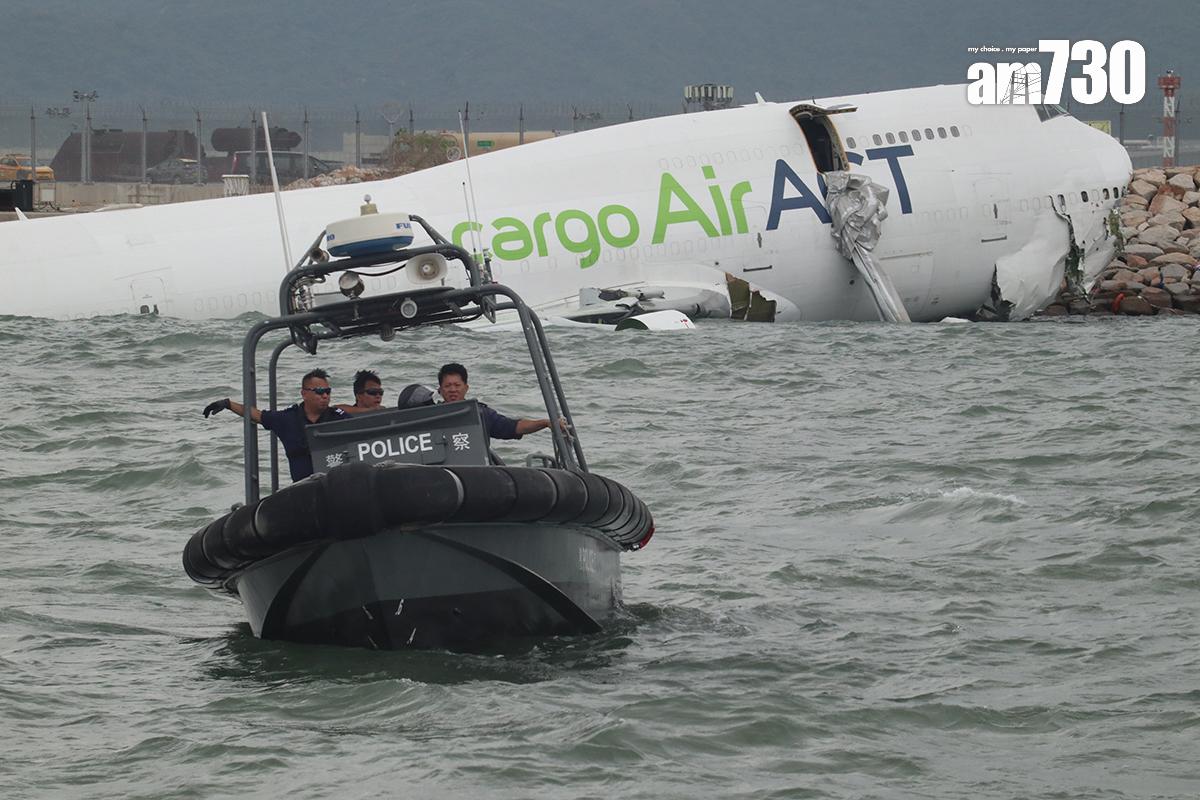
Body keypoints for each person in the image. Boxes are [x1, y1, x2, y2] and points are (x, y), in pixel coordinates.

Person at [202, 368, 348, 482]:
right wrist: (227, 404)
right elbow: (258, 415)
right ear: (304, 393)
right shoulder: (288, 419)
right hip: (304, 488)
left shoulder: (340, 418)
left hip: (336, 484)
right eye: (320, 391)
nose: (325, 396)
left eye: (328, 392)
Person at [436, 362, 562, 440]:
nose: (452, 390)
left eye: (457, 385)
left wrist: (545, 423)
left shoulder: (481, 414)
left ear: (466, 387)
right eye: (447, 386)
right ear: (440, 389)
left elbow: (514, 427)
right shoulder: (428, 415)